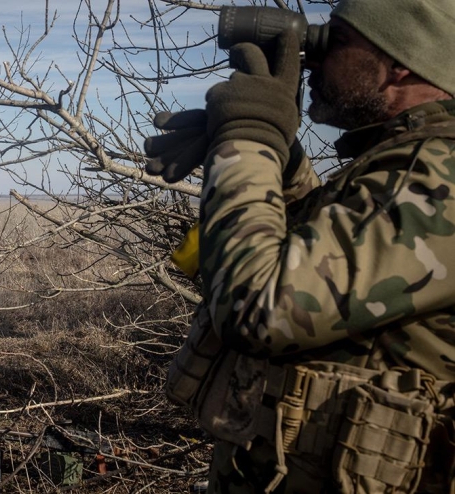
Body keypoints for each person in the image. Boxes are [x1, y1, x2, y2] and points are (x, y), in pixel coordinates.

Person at [149, 0, 455, 492]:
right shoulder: (409, 164)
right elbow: (327, 260)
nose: (309, 57)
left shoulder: (441, 175)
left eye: (336, 40)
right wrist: (282, 162)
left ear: (401, 60)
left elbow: (261, 303)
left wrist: (249, 137)